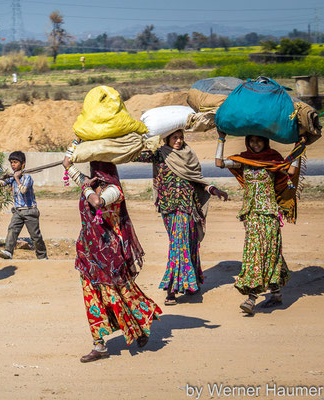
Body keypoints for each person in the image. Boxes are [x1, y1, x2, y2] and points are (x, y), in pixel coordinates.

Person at [62, 156, 162, 363]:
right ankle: (99, 345)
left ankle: (141, 325)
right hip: (88, 254)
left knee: (120, 294)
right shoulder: (92, 185)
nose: (94, 174)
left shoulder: (114, 191)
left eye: (98, 169)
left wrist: (86, 185)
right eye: (93, 168)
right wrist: (70, 165)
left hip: (109, 255)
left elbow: (96, 201)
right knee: (92, 298)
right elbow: (78, 177)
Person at [135, 130, 228, 305]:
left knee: (179, 246)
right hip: (167, 208)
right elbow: (136, 156)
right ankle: (193, 283)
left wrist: (215, 191)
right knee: (187, 244)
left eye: (180, 137)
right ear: (167, 138)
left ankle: (171, 290)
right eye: (174, 137)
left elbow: (199, 180)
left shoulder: (189, 155)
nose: (178, 141)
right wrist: (143, 141)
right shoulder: (159, 154)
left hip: (187, 208)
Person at [215, 132, 304, 315]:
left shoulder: (272, 160)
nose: (255, 144)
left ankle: (251, 298)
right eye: (252, 141)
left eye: (259, 140)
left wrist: (299, 146)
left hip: (269, 215)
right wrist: (221, 138)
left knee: (263, 253)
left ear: (265, 141)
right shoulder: (244, 160)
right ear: (248, 142)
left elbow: (291, 171)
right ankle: (276, 293)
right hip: (251, 215)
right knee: (262, 252)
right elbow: (220, 163)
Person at [0, 151, 47, 260]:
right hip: (18, 211)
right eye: (11, 162)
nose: (13, 165)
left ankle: (42, 256)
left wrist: (17, 178)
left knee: (35, 236)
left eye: (15, 162)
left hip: (30, 211)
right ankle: (8, 251)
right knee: (12, 229)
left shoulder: (27, 178)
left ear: (23, 164)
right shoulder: (11, 177)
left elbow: (23, 190)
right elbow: (2, 183)